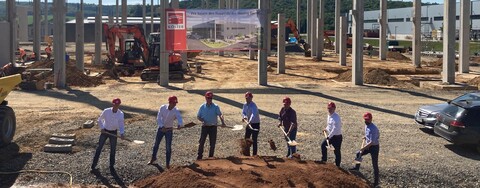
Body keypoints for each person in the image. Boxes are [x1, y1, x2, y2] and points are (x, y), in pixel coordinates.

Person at [148, 96, 183, 168]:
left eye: (175, 103)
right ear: (169, 102)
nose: (174, 105)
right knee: (156, 144)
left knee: (168, 147)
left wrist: (180, 124)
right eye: (173, 103)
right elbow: (158, 118)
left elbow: (179, 118)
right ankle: (153, 158)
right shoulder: (163, 107)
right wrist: (162, 126)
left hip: (169, 130)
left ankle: (167, 164)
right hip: (161, 129)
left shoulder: (176, 110)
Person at [91, 98, 125, 172]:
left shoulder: (121, 114)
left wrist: (122, 133)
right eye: (115, 104)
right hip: (105, 131)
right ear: (112, 104)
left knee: (113, 149)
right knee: (99, 147)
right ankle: (94, 165)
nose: (116, 106)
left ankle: (111, 166)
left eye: (117, 105)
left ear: (119, 105)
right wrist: (102, 128)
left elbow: (121, 124)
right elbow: (99, 120)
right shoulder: (106, 111)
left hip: (113, 132)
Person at [350, 112, 380, 187]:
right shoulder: (366, 125)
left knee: (374, 164)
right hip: (368, 145)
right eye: (365, 119)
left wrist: (363, 148)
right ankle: (356, 168)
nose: (366, 121)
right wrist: (365, 137)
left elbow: (372, 142)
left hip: (374, 147)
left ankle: (376, 183)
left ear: (371, 119)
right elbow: (368, 135)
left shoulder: (374, 128)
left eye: (367, 120)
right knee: (358, 153)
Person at [196, 91, 226, 160]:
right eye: (208, 98)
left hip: (213, 127)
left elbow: (220, 114)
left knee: (212, 143)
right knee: (201, 142)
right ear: (205, 98)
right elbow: (198, 116)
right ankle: (199, 156)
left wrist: (222, 122)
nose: (209, 99)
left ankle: (210, 157)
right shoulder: (202, 107)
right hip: (205, 127)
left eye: (211, 98)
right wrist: (202, 120)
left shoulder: (215, 106)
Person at [321, 102, 343, 167]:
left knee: (336, 151)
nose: (329, 110)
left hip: (337, 137)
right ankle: (324, 160)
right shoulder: (329, 116)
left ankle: (337, 165)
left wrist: (328, 136)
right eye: (328, 108)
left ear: (334, 108)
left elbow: (335, 129)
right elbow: (329, 125)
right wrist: (326, 129)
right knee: (323, 145)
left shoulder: (336, 117)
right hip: (331, 136)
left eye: (331, 108)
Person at [242, 91, 260, 156]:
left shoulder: (253, 105)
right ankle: (246, 154)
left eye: (249, 98)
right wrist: (244, 117)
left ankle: (254, 154)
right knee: (246, 138)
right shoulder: (245, 105)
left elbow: (253, 114)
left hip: (255, 124)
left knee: (254, 139)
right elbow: (243, 112)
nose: (247, 99)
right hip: (249, 123)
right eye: (246, 98)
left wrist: (250, 121)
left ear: (251, 98)